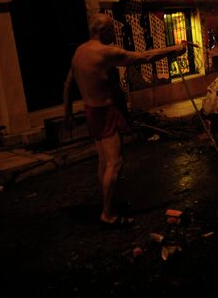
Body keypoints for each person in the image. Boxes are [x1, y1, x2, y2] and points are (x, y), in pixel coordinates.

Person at [63, 13, 187, 228]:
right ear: (102, 32)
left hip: (91, 111)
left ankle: (107, 204)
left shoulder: (79, 52)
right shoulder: (106, 52)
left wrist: (68, 113)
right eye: (112, 28)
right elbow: (144, 57)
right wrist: (175, 49)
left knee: (103, 161)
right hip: (104, 112)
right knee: (115, 162)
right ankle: (107, 214)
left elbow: (68, 84)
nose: (116, 32)